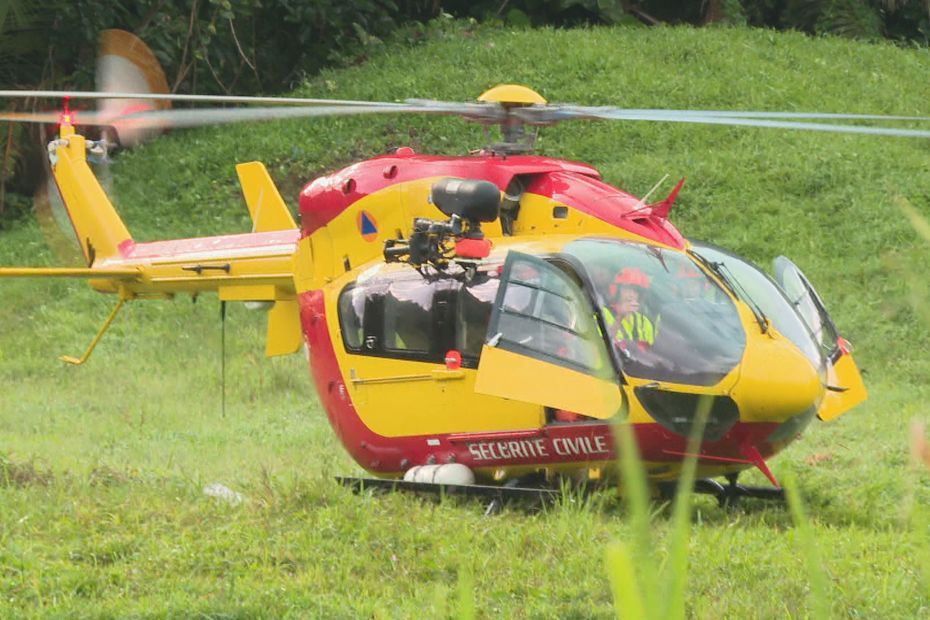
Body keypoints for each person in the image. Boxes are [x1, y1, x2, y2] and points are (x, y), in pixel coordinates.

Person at [605, 267, 656, 352]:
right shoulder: (603, 313)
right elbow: (602, 344)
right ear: (617, 291)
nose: (631, 295)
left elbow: (650, 353)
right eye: (627, 289)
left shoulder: (646, 323)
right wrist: (620, 317)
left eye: (636, 291)